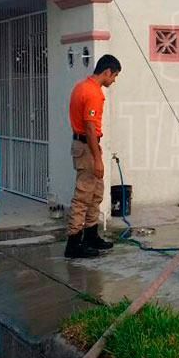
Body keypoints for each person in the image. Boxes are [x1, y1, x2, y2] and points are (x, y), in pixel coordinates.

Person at [64, 54, 121, 259]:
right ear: (107, 72)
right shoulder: (92, 92)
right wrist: (97, 158)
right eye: (114, 76)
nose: (113, 80)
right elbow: (89, 127)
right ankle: (73, 243)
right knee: (83, 196)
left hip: (87, 145)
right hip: (87, 147)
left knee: (95, 193)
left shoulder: (81, 86)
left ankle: (90, 236)